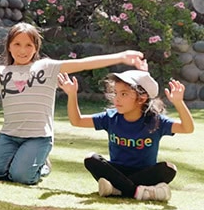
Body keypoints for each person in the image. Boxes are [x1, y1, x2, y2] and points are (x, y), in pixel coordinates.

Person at [0, 22, 145, 185]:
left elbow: (82, 64)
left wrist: (122, 56)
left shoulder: (47, 67)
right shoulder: (1, 72)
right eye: (17, 44)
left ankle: (42, 164)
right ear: (9, 46)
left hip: (38, 137)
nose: (22, 50)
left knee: (22, 177)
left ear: (36, 48)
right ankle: (22, 159)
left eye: (28, 45)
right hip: (10, 136)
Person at [58, 68, 194, 202]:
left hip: (144, 173)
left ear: (141, 98)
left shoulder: (156, 121)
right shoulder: (110, 117)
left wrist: (179, 103)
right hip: (116, 171)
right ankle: (140, 192)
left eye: (123, 94)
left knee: (169, 168)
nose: (117, 99)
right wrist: (71, 94)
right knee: (90, 159)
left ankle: (117, 189)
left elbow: (187, 128)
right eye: (115, 93)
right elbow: (77, 121)